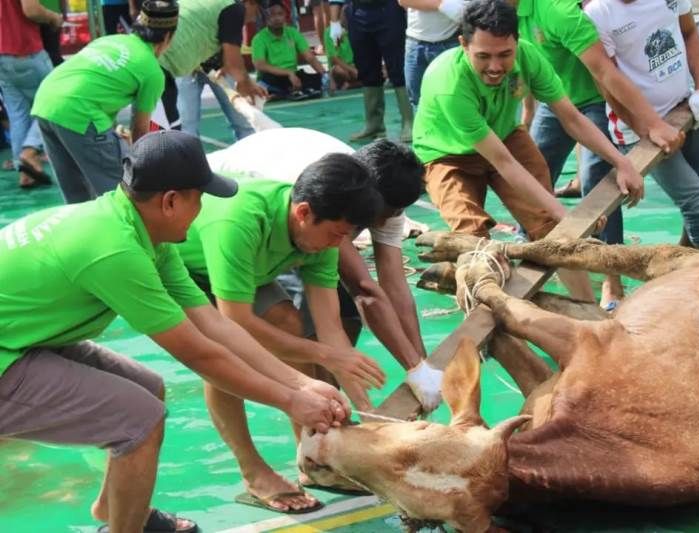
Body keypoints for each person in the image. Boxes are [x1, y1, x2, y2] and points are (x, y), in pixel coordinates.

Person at [0, 130, 349, 533]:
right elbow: (199, 353)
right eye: (198, 199)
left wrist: (301, 384)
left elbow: (212, 321)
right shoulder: (115, 249)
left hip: (20, 338)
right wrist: (290, 401)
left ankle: (114, 512)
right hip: (7, 353)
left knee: (148, 388)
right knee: (139, 420)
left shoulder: (143, 231)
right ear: (170, 201)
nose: (201, 210)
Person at [177, 149, 393, 512]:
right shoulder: (240, 221)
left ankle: (312, 461)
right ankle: (253, 471)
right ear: (303, 212)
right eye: (335, 234)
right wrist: (324, 358)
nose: (336, 245)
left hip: (245, 274)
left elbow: (329, 330)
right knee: (224, 358)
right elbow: (235, 323)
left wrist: (368, 409)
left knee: (289, 325)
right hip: (185, 269)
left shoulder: (325, 230)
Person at [413, 0, 645, 302]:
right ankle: (492, 326)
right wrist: (563, 211)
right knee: (473, 242)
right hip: (447, 155)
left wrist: (621, 162)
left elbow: (572, 118)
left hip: (505, 135)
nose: (495, 66)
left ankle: (592, 316)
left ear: (517, 42)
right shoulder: (449, 83)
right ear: (463, 44)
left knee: (554, 231)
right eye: (483, 56)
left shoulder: (529, 57)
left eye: (504, 55)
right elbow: (503, 163)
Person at [206, 128, 439, 409]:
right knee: (246, 342)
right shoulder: (323, 197)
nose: (380, 226)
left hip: (285, 236)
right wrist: (323, 357)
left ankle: (327, 409)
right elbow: (365, 290)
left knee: (330, 320)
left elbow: (391, 289)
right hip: (225, 228)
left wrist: (419, 368)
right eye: (377, 217)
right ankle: (308, 425)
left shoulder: (367, 208)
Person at [514, 0, 685, 310]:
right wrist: (528, 112)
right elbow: (524, 62)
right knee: (534, 173)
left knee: (598, 183)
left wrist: (646, 123)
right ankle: (528, 247)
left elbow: (605, 71)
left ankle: (612, 279)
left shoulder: (558, 12)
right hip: (556, 101)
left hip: (594, 101)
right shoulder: (501, 15)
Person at [585, 0, 699, 252]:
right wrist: (646, 128)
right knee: (698, 206)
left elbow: (689, 32)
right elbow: (606, 80)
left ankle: (681, 260)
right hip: (638, 128)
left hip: (684, 110)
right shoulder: (599, 12)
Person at [32, 0, 177, 204]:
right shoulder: (152, 71)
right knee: (122, 195)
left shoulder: (110, 40)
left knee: (77, 196)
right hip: (79, 112)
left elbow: (96, 87)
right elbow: (140, 130)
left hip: (46, 102)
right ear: (168, 36)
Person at [157, 0, 268, 131]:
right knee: (178, 128)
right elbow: (234, 64)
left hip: (162, 61)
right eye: (256, 14)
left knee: (178, 127)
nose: (252, 20)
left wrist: (238, 75)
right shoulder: (234, 8)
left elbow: (214, 40)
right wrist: (245, 83)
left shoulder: (217, 7)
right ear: (250, 2)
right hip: (166, 64)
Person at [328, 0, 414, 142]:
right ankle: (374, 125)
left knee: (397, 65)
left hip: (388, 8)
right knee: (366, 68)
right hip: (357, 11)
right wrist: (334, 22)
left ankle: (408, 122)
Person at [0, 0, 60, 189]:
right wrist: (53, 17)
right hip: (26, 51)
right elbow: (31, 10)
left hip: (3, 56)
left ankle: (25, 172)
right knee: (55, 101)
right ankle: (30, 151)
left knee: (18, 114)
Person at [252, 0, 327, 100]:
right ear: (265, 18)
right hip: (272, 77)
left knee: (316, 79)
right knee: (266, 83)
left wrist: (325, 76)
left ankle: (287, 92)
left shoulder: (293, 33)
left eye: (280, 14)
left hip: (292, 76)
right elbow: (260, 65)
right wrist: (288, 73)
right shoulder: (259, 38)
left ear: (285, 16)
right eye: (272, 15)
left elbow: (310, 58)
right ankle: (289, 92)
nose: (277, 18)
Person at [398, 0, 463, 110]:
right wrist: (442, 4)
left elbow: (461, 13)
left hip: (449, 43)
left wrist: (435, 4)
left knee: (452, 98)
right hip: (415, 45)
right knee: (417, 99)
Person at [323, 11, 358, 93]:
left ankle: (350, 85)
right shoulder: (331, 32)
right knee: (340, 71)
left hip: (353, 65)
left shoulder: (355, 29)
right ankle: (350, 83)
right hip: (340, 67)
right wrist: (352, 69)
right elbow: (334, 59)